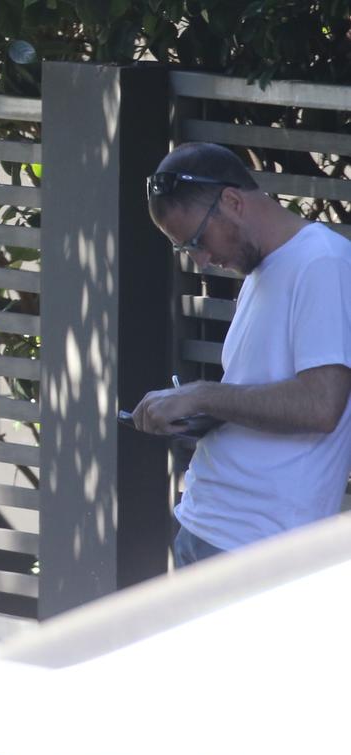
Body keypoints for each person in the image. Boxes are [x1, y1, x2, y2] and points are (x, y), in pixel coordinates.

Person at [133, 142, 351, 567]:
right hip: (207, 523)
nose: (202, 260)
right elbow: (259, 395)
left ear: (232, 201)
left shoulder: (323, 264)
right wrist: (196, 413)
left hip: (262, 544)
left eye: (198, 240)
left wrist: (201, 396)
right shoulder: (262, 270)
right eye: (185, 250)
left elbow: (321, 404)